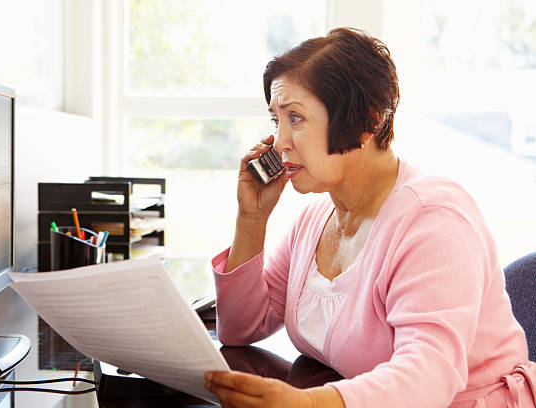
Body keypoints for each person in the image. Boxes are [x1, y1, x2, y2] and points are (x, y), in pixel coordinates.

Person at [203, 27, 536, 408]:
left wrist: (310, 404)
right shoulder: (316, 218)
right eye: (275, 120)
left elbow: (430, 375)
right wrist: (251, 218)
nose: (279, 143)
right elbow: (241, 328)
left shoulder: (434, 220)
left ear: (367, 122)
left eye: (295, 118)